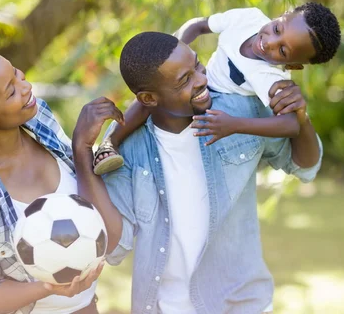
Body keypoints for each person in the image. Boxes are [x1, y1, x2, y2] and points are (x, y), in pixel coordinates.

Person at [102, 32, 323, 313]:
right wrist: (83, 150)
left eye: (197, 65)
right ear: (148, 98)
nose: (202, 80)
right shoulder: (128, 146)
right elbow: (113, 245)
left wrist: (301, 118)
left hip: (241, 304)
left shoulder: (240, 110)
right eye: (185, 80)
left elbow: (305, 166)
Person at [0, 44, 124, 314]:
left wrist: (82, 147)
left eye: (16, 73)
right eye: (11, 90)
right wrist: (50, 288)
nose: (25, 87)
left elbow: (104, 227)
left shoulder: (40, 119)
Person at [93, 2, 340, 175]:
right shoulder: (249, 18)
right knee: (152, 97)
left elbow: (291, 124)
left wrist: (234, 124)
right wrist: (176, 50)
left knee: (164, 107)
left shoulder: (268, 77)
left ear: (293, 65)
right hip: (200, 75)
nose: (269, 43)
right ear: (282, 15)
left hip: (215, 100)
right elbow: (199, 25)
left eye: (283, 51)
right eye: (277, 29)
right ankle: (109, 143)